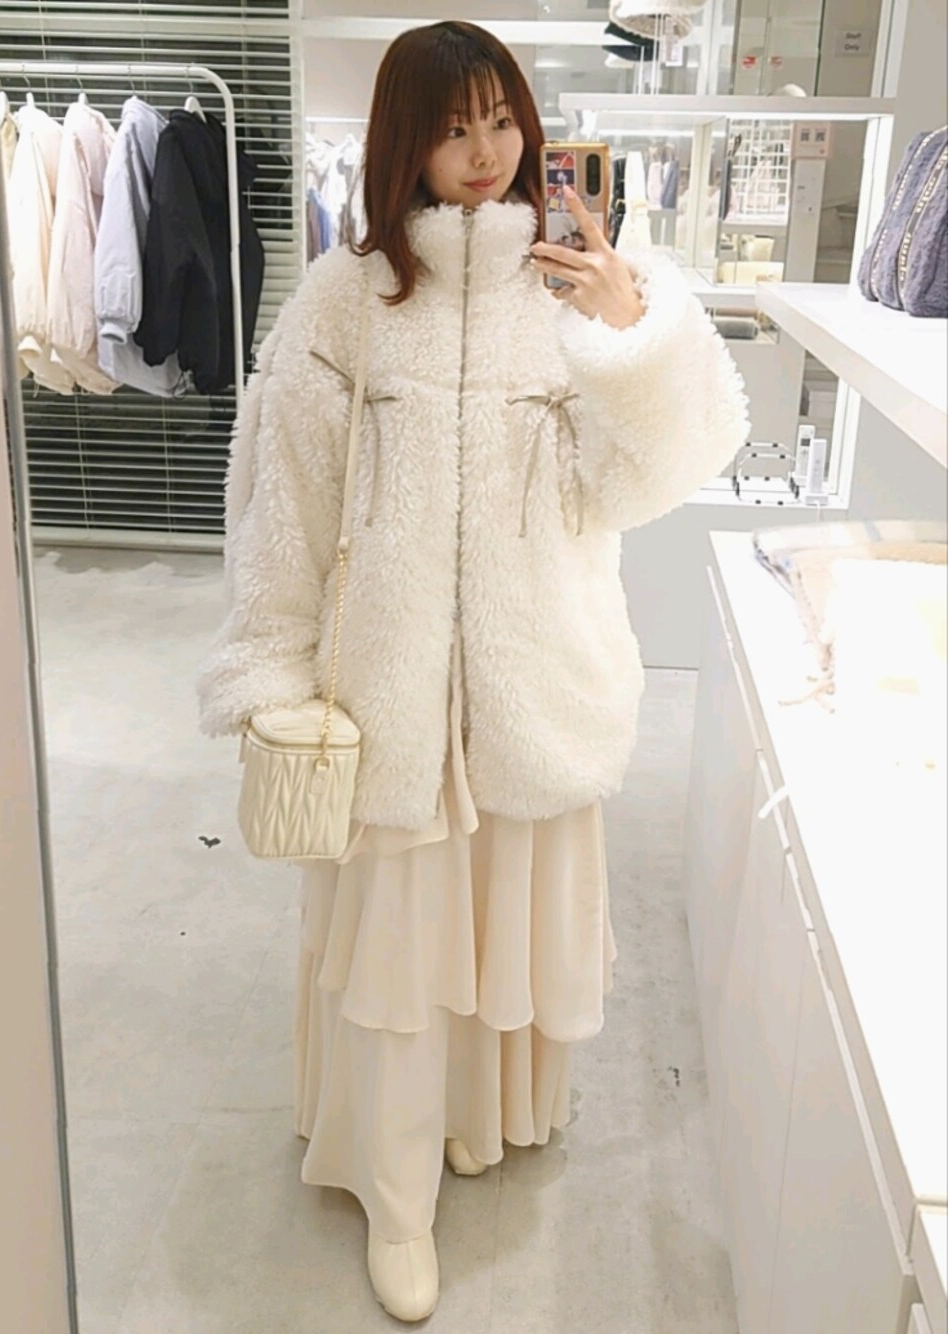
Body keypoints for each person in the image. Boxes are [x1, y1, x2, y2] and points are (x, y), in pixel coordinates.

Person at [195, 19, 749, 1325]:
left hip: (532, 681)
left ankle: (479, 1122)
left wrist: (631, 331)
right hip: (386, 698)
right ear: (405, 140)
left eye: (502, 120)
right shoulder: (341, 299)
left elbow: (648, 479)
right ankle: (397, 1199)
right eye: (454, 128)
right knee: (397, 959)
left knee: (504, 935)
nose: (485, 151)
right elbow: (283, 506)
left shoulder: (562, 291)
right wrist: (273, 668)